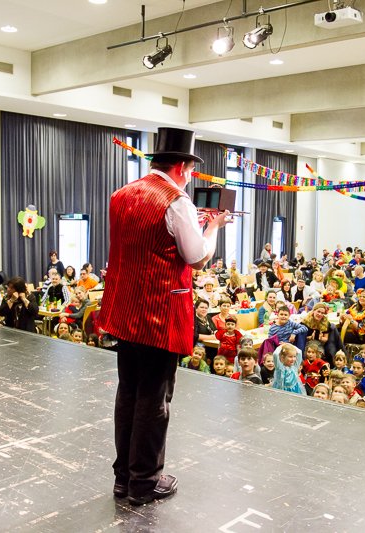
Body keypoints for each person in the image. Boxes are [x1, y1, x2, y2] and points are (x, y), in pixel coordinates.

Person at [97, 127, 231, 506]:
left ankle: (124, 477)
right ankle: (144, 481)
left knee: (128, 392)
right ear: (181, 167)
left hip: (125, 310)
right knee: (155, 399)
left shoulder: (122, 194)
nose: (189, 176)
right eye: (190, 169)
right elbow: (197, 257)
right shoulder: (177, 201)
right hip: (159, 314)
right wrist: (212, 227)